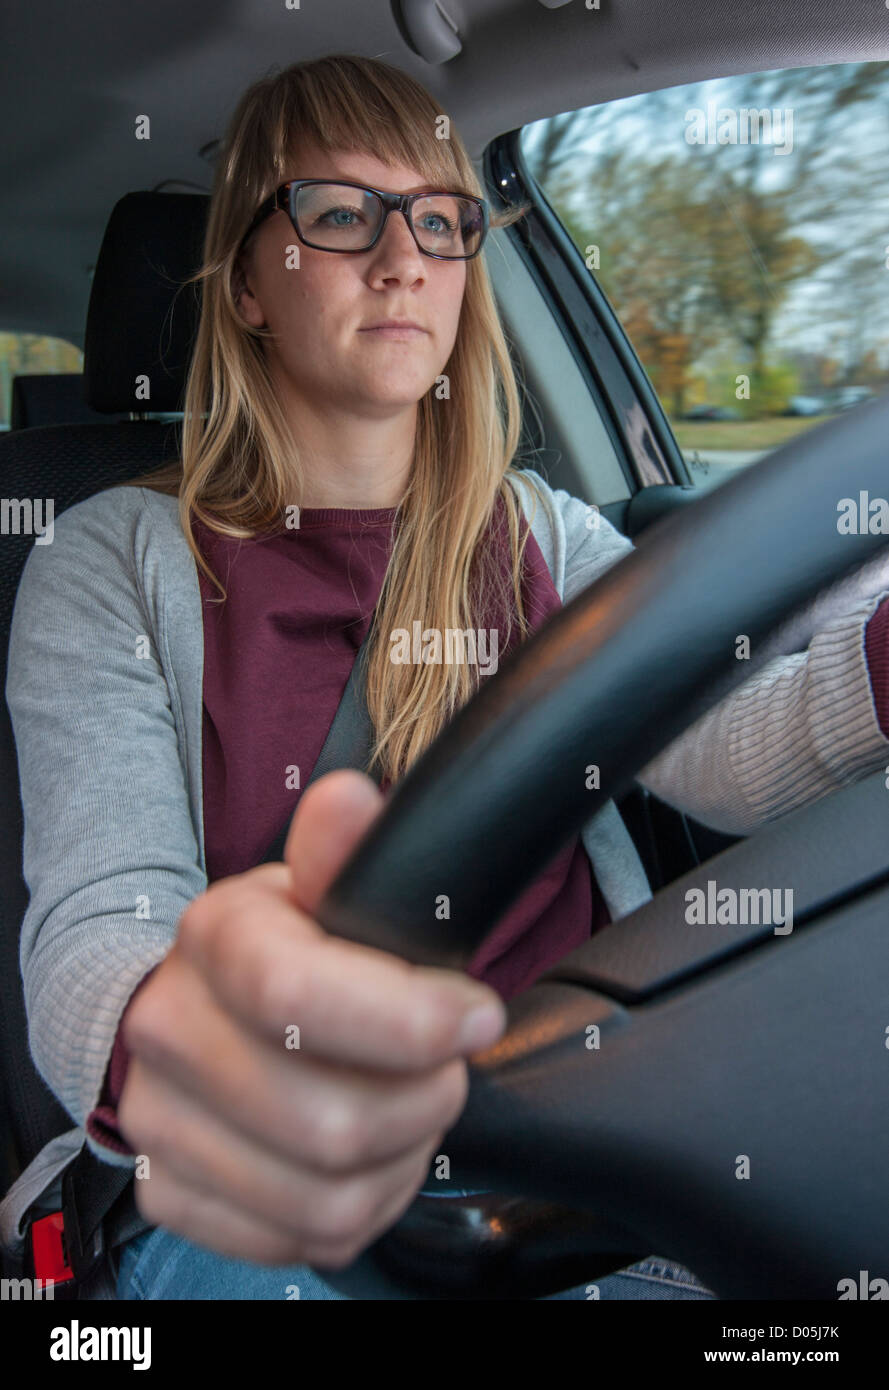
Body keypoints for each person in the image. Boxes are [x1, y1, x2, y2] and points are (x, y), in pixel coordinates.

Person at [4, 54, 888, 1303]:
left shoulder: (540, 533)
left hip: (586, 1139)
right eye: (338, 213)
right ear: (250, 284)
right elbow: (102, 918)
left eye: (439, 219)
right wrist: (187, 1050)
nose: (401, 256)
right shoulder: (112, 562)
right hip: (289, 1180)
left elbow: (725, 748)